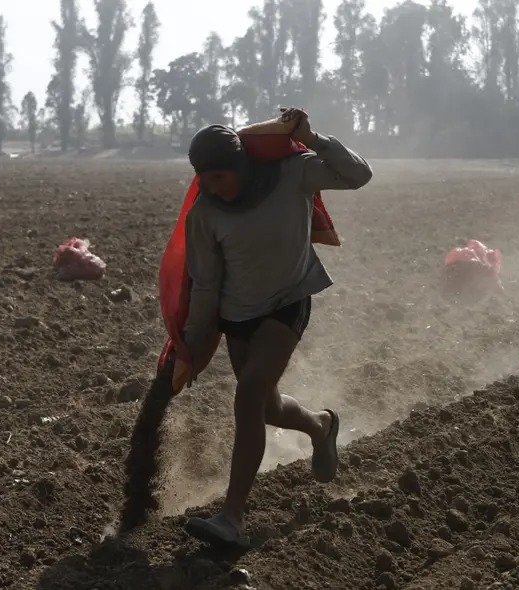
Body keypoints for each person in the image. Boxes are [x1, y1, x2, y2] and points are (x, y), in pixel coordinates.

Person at [180, 108, 373, 548]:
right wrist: (192, 346)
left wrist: (314, 137)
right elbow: (205, 286)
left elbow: (358, 175)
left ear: (241, 166)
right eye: (204, 180)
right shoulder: (205, 214)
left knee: (247, 394)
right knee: (264, 406)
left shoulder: (293, 174)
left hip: (288, 301)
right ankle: (321, 427)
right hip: (237, 314)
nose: (212, 188)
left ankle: (231, 519)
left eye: (219, 178)